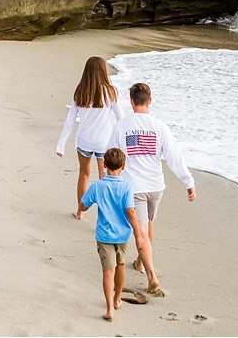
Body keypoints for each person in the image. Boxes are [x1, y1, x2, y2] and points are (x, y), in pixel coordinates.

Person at [107, 82, 196, 292]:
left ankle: (152, 276)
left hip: (134, 187)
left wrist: (108, 180)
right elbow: (174, 157)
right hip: (156, 186)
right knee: (147, 225)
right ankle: (140, 262)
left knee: (140, 233)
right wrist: (188, 181)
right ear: (150, 101)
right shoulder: (160, 127)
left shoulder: (122, 126)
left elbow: (110, 154)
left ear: (130, 102)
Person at [79, 147, 145, 322]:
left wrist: (82, 206)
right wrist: (139, 236)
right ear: (123, 166)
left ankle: (109, 309)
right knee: (121, 266)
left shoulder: (98, 186)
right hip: (123, 235)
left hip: (104, 235)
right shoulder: (127, 187)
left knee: (108, 272)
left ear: (105, 164)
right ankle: (117, 300)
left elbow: (84, 205)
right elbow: (131, 212)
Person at [56, 56, 123, 220]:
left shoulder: (80, 91)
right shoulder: (110, 91)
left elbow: (70, 120)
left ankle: (80, 212)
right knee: (104, 177)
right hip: (104, 143)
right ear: (103, 71)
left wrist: (61, 144)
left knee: (84, 174)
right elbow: (121, 119)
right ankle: (105, 215)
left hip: (84, 141)